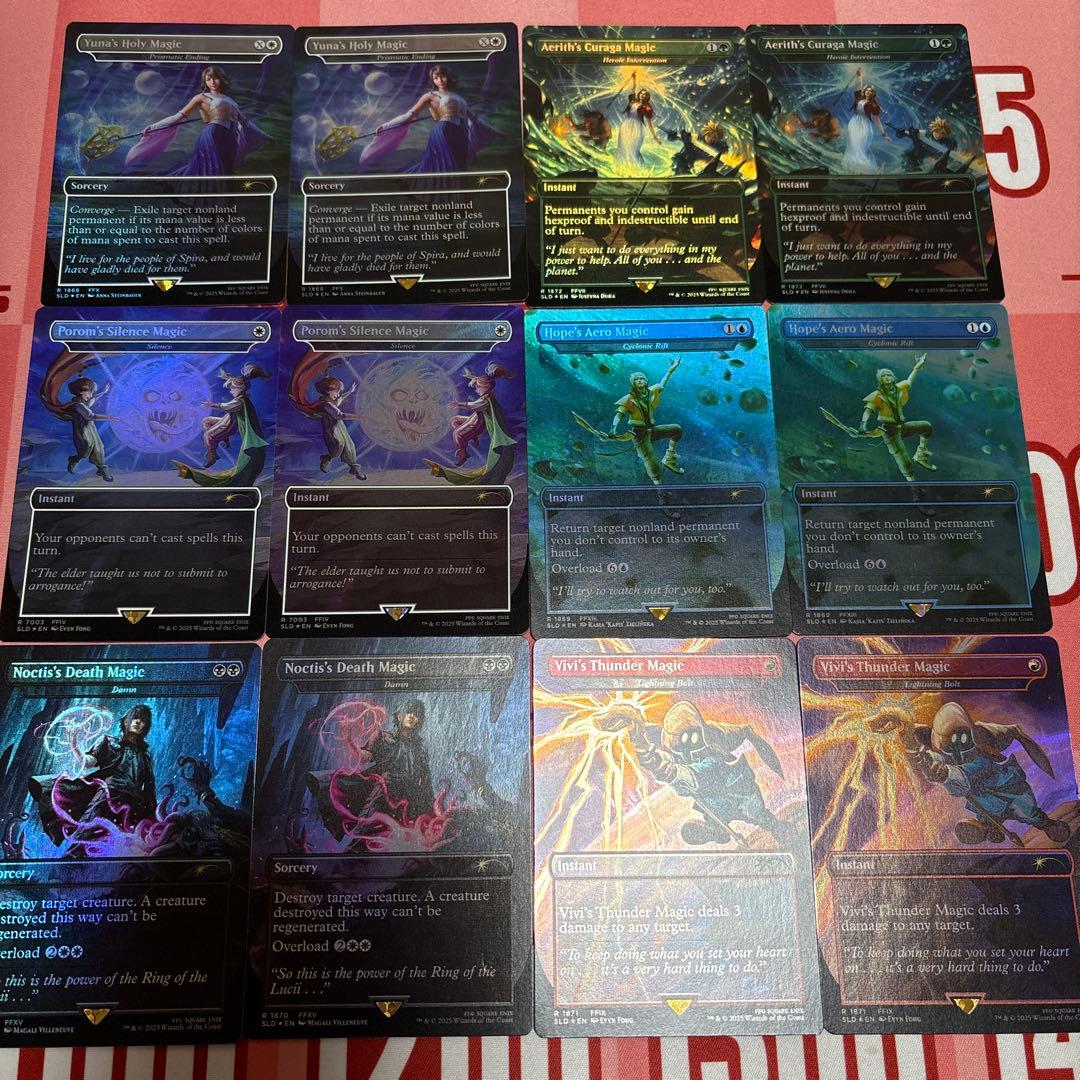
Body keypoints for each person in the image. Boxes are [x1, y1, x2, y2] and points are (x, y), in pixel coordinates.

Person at [869, 702, 1072, 846]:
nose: (956, 747)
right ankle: (989, 827)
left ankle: (1046, 824)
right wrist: (911, 741)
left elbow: (961, 776)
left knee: (1025, 812)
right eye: (949, 743)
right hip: (984, 799)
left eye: (961, 739)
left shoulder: (982, 754)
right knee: (987, 813)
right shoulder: (945, 752)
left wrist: (942, 773)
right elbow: (932, 762)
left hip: (1009, 789)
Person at [627, 702, 799, 850]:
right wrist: (642, 742)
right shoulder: (676, 748)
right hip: (715, 802)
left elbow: (695, 775)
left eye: (690, 739)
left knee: (757, 815)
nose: (686, 748)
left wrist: (670, 772)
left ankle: (780, 830)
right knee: (714, 813)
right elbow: (660, 749)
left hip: (740, 794)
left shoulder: (714, 747)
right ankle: (717, 829)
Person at [29, 705, 157, 854]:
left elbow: (149, 787)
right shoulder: (108, 741)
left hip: (133, 803)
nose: (138, 722)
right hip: (108, 794)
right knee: (87, 831)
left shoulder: (145, 755)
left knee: (122, 845)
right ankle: (70, 858)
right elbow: (88, 762)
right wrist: (74, 742)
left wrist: (153, 816)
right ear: (126, 721)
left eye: (143, 720)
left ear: (146, 726)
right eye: (135, 718)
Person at [306, 701, 435, 847]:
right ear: (399, 716)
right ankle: (354, 841)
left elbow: (425, 779)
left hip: (408, 798)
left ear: (420, 720)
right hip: (384, 789)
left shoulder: (421, 748)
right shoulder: (382, 736)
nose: (411, 716)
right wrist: (348, 738)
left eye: (417, 714)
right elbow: (364, 757)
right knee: (366, 825)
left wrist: (430, 808)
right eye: (409, 712)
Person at [128, 65, 267, 176]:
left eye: (215, 78)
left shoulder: (230, 100)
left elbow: (244, 121)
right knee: (211, 166)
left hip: (230, 135)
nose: (212, 82)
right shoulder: (201, 97)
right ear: (205, 81)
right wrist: (154, 127)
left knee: (226, 166)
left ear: (222, 79)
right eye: (208, 79)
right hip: (213, 134)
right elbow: (179, 116)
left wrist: (263, 135)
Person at [363, 65, 497, 173]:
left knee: (458, 161)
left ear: (449, 77)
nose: (440, 80)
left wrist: (492, 130)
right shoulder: (430, 96)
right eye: (436, 78)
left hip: (461, 130)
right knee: (445, 161)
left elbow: (473, 117)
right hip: (445, 130)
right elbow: (411, 114)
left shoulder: (458, 97)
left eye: (442, 76)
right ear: (433, 80)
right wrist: (386, 126)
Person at [173, 363, 270, 487]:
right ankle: (216, 448)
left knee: (210, 435)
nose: (230, 390)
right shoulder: (242, 401)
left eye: (232, 388)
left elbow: (227, 406)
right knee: (207, 422)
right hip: (237, 428)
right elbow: (229, 414)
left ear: (241, 388)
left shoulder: (240, 401)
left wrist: (212, 405)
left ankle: (212, 454)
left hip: (251, 443)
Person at [424, 363, 517, 485]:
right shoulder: (488, 395)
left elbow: (473, 405)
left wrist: (458, 404)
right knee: (455, 421)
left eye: (478, 387)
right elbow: (481, 380)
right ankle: (455, 460)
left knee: (492, 467)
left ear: (486, 387)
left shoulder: (486, 400)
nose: (476, 390)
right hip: (484, 425)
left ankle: (462, 455)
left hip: (499, 441)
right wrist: (470, 376)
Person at [858, 356, 935, 481]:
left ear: (893, 377)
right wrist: (863, 425)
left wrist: (917, 367)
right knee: (905, 463)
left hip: (901, 426)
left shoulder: (899, 388)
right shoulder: (877, 395)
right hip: (890, 432)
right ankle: (914, 486)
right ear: (880, 380)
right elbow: (868, 410)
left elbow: (909, 380)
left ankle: (920, 455)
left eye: (888, 374)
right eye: (883, 376)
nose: (886, 377)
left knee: (926, 427)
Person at [60, 377, 116, 482]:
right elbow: (90, 416)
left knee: (99, 448)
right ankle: (75, 459)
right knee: (87, 446)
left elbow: (92, 399)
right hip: (82, 429)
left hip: (90, 428)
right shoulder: (78, 405)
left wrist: (103, 392)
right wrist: (109, 417)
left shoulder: (84, 402)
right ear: (81, 392)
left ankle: (102, 470)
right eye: (89, 392)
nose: (91, 395)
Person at [840, 68, 889, 173]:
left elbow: (877, 121)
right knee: (852, 142)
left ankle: (865, 169)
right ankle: (852, 167)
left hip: (864, 126)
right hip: (854, 122)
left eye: (870, 91)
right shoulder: (859, 98)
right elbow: (859, 85)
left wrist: (884, 134)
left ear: (872, 94)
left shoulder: (873, 105)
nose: (867, 92)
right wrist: (859, 76)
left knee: (859, 146)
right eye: (866, 90)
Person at [614, 73, 661, 171]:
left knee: (633, 148)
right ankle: (622, 167)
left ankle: (635, 168)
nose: (642, 95)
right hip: (626, 126)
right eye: (641, 93)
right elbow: (633, 89)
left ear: (646, 97)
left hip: (636, 128)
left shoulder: (647, 108)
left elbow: (649, 124)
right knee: (623, 146)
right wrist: (634, 79)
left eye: (644, 94)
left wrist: (655, 137)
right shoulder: (633, 101)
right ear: (639, 94)